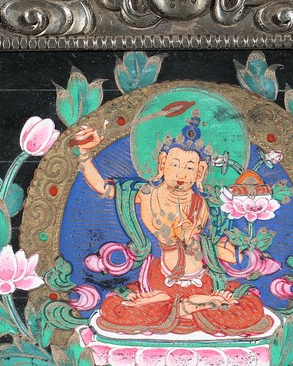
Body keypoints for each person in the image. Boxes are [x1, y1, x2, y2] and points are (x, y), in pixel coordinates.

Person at [73, 109, 275, 337]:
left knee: (252, 308)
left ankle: (179, 307)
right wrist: (84, 154)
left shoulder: (206, 203)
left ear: (200, 172)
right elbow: (102, 187)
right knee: (113, 308)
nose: (181, 174)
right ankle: (190, 307)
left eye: (189, 168)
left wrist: (207, 246)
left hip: (204, 282)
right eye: (175, 164)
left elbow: (222, 252)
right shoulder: (147, 194)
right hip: (159, 282)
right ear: (162, 163)